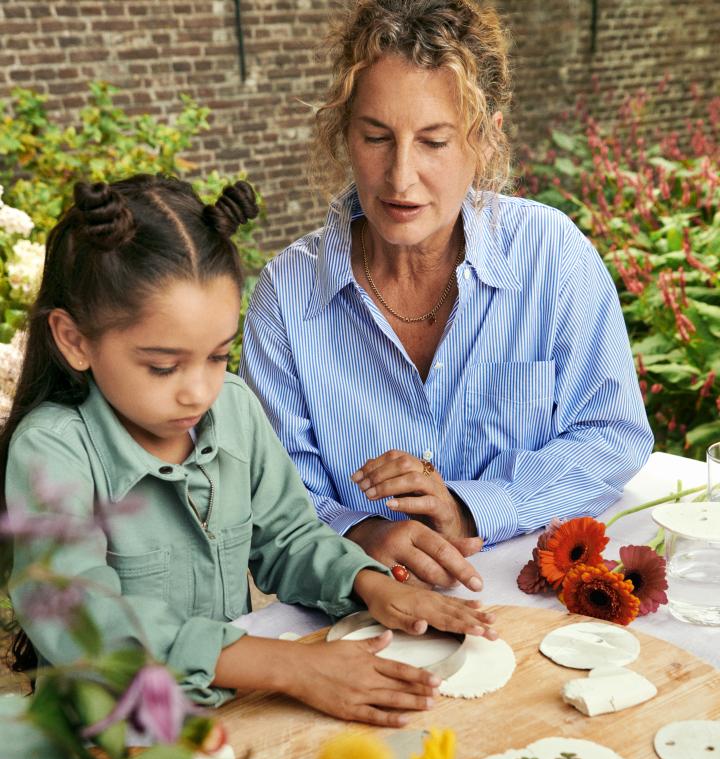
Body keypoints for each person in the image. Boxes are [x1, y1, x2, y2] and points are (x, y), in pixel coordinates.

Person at [0, 174, 496, 726]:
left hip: (230, 721)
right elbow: (80, 621)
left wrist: (368, 583)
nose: (199, 390)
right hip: (108, 751)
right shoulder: (51, 453)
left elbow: (288, 538)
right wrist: (291, 667)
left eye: (217, 355)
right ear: (74, 339)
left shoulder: (232, 409)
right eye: (163, 366)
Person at [241, 0, 653, 588]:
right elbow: (273, 501)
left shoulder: (551, 256)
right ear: (344, 134)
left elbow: (613, 435)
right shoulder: (285, 299)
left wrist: (469, 506)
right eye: (376, 136)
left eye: (433, 141)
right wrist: (358, 534)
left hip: (530, 612)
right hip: (363, 624)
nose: (401, 176)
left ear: (485, 140)